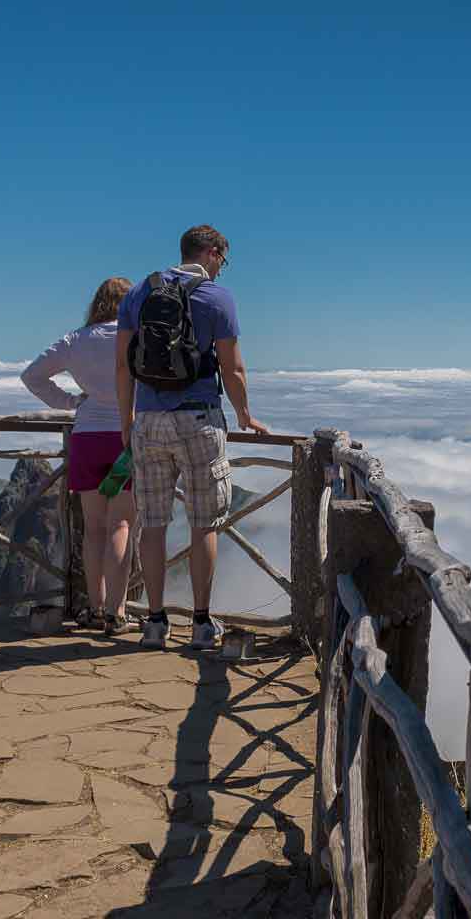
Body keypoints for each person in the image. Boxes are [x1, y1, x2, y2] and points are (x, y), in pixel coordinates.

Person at [116, 224, 272, 651]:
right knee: (205, 523)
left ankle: (154, 622)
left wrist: (127, 420)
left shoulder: (139, 293)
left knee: (152, 523)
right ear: (211, 252)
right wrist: (245, 414)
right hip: (199, 418)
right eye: (223, 258)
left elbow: (122, 366)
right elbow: (232, 368)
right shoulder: (217, 298)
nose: (222, 268)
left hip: (147, 420)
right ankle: (202, 624)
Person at [20, 277, 139, 636]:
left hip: (87, 439)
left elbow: (32, 376)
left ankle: (95, 607)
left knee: (94, 528)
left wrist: (71, 403)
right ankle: (118, 613)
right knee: (121, 524)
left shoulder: (76, 340)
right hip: (124, 439)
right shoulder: (136, 337)